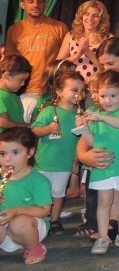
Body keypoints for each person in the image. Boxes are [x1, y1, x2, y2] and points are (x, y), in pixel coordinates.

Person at [82, 70, 119, 254]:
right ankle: (103, 237)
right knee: (104, 203)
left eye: (113, 95)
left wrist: (101, 117)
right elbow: (92, 141)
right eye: (103, 96)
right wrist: (83, 127)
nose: (108, 100)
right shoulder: (95, 115)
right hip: (103, 167)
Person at [30, 71, 85, 235]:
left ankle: (54, 220)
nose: (79, 94)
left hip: (64, 163)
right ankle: (39, 219)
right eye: (74, 90)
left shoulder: (80, 114)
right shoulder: (49, 111)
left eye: (82, 90)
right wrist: (47, 129)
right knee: (41, 193)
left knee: (58, 193)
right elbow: (34, 130)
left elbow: (83, 138)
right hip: (44, 162)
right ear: (60, 91)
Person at [4, 0, 68, 122]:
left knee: (48, 129)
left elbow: (66, 61)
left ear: (46, 4)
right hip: (22, 90)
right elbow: (9, 63)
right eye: (30, 1)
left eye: (40, 2)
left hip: (50, 90)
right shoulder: (14, 30)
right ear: (22, 5)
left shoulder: (59, 28)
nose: (35, 5)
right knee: (24, 130)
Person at [0, 127, 52, 264]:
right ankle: (8, 246)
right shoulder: (1, 177)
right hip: (5, 226)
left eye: (15, 152)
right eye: (2, 153)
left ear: (30, 152)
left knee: (19, 223)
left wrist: (17, 211)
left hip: (30, 227)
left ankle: (34, 248)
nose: (7, 159)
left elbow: (44, 210)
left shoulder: (38, 180)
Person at [56, 0, 112, 84]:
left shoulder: (108, 39)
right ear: (81, 16)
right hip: (72, 86)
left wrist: (88, 53)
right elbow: (57, 65)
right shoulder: (71, 36)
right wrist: (77, 55)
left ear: (101, 19)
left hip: (97, 86)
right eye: (87, 14)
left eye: (95, 15)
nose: (90, 18)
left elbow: (109, 69)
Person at [0, 55, 31, 132]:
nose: (23, 84)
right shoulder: (1, 95)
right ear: (7, 76)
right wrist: (24, 125)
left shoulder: (12, 94)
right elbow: (3, 122)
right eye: (21, 80)